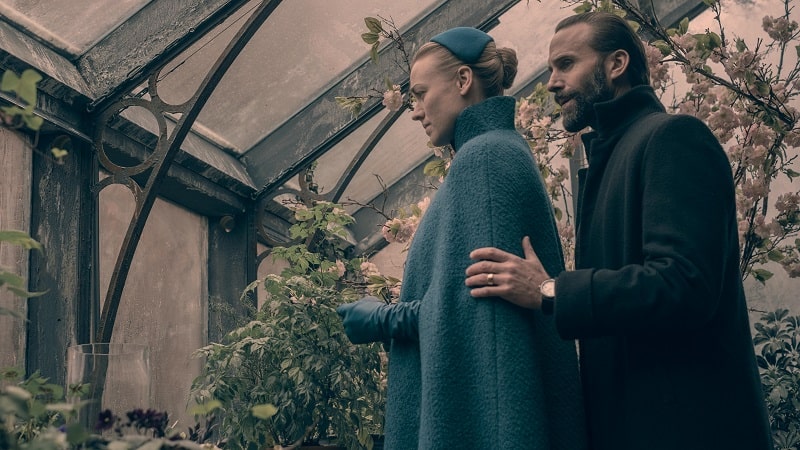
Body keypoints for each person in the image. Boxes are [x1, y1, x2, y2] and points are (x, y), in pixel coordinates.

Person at [465, 12, 773, 450]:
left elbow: (683, 284)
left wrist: (552, 291)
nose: (552, 82)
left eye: (566, 64)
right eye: (552, 68)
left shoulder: (674, 139)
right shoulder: (612, 155)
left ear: (616, 64)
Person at [337, 27, 586, 449]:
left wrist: (384, 319)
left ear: (463, 80)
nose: (414, 110)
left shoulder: (485, 158)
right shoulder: (497, 150)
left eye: (419, 93)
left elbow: (478, 316)